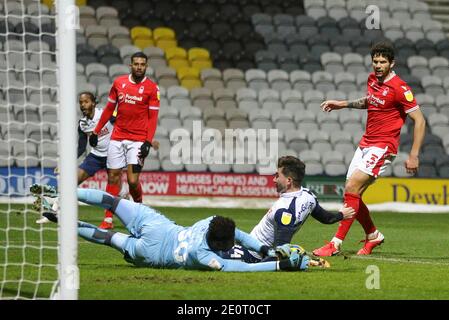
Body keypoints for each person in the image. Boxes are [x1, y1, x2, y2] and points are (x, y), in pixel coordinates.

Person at [313, 41, 426, 256]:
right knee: (351, 193)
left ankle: (335, 244)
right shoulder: (373, 80)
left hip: (384, 146)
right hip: (365, 143)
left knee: (353, 187)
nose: (378, 65)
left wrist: (413, 155)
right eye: (375, 61)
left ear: (392, 63)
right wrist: (343, 104)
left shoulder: (400, 89)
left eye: (383, 61)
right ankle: (373, 236)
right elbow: (372, 101)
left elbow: (419, 120)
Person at [42, 188, 310, 272]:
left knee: (112, 202)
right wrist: (280, 266)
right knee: (108, 238)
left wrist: (266, 249)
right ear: (218, 245)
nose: (231, 246)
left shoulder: (212, 220)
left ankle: (63, 193)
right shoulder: (204, 256)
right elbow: (247, 269)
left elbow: (236, 234)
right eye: (226, 245)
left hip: (158, 226)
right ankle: (65, 220)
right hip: (151, 253)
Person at [220, 156, 355, 263]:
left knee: (210, 256)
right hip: (249, 245)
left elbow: (279, 253)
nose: (273, 179)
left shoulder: (285, 211)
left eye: (277, 175)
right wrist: (341, 215)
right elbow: (326, 218)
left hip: (252, 255)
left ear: (288, 180)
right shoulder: (308, 196)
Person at [89, 51, 161, 229]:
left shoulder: (152, 88)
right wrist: (96, 131)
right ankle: (107, 219)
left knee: (133, 181)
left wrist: (148, 141)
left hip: (137, 140)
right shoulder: (119, 83)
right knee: (113, 177)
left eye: (142, 64)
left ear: (146, 66)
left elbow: (153, 117)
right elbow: (108, 109)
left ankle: (139, 209)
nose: (139, 67)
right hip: (117, 137)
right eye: (136, 64)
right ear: (131, 65)